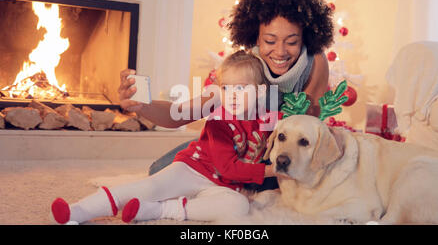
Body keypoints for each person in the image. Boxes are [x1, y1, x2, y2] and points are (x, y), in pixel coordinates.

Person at [118, 0, 334, 190]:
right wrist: (143, 106)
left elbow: (310, 127)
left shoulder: (314, 63)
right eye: (270, 40)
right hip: (237, 144)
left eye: (292, 42)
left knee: (302, 182)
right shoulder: (245, 67)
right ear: (256, 38)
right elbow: (179, 114)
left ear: (304, 38)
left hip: (276, 151)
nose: (280, 51)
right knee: (159, 170)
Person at [50, 51, 278, 224]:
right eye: (227, 89)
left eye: (241, 88)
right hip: (194, 169)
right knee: (150, 187)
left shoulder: (267, 119)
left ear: (260, 92)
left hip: (223, 185)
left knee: (237, 207)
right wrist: (269, 171)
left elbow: (287, 126)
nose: (232, 96)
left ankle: (161, 210)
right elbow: (227, 167)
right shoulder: (219, 120)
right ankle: (77, 211)